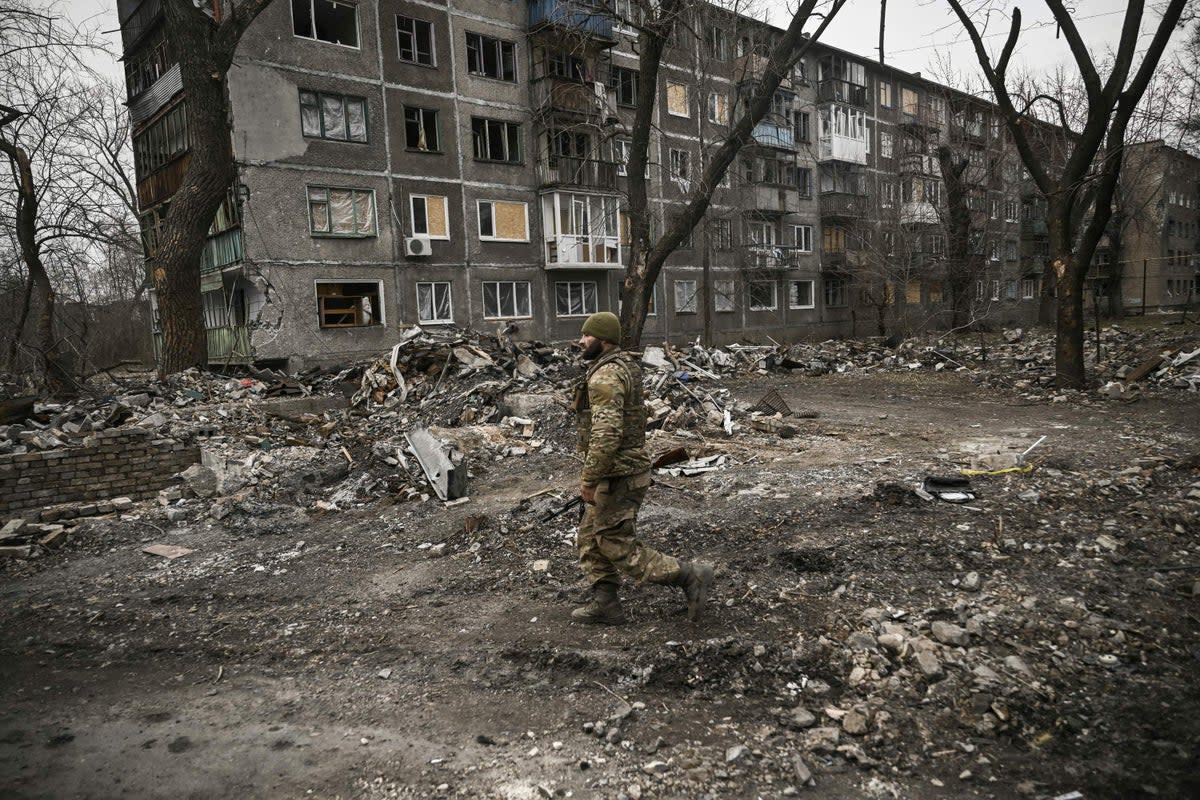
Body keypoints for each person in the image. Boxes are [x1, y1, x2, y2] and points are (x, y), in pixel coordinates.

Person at [569, 311, 714, 624]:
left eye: (587, 335)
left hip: (618, 474)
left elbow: (607, 434)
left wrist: (589, 480)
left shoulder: (606, 375)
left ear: (603, 339)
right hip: (618, 470)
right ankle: (606, 604)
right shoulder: (621, 366)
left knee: (616, 544)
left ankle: (690, 576)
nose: (581, 341)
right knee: (589, 538)